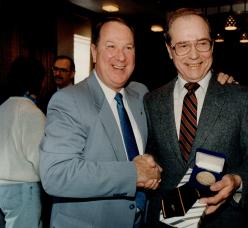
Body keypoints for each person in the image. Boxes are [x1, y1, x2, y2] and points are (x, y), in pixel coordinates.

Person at [144, 8, 248, 228]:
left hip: (223, 220)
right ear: (169, 50)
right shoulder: (152, 101)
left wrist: (236, 180)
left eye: (202, 43)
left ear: (212, 45)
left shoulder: (239, 98)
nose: (194, 55)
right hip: (163, 220)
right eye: (183, 45)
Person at [39, 17, 162, 228]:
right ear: (94, 52)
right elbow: (56, 175)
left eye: (128, 47)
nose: (121, 57)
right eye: (111, 46)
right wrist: (133, 174)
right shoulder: (69, 100)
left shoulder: (140, 93)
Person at [0, 56, 46, 228]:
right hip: (23, 189)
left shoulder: (3, 108)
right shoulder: (31, 112)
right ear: (38, 81)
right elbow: (39, 157)